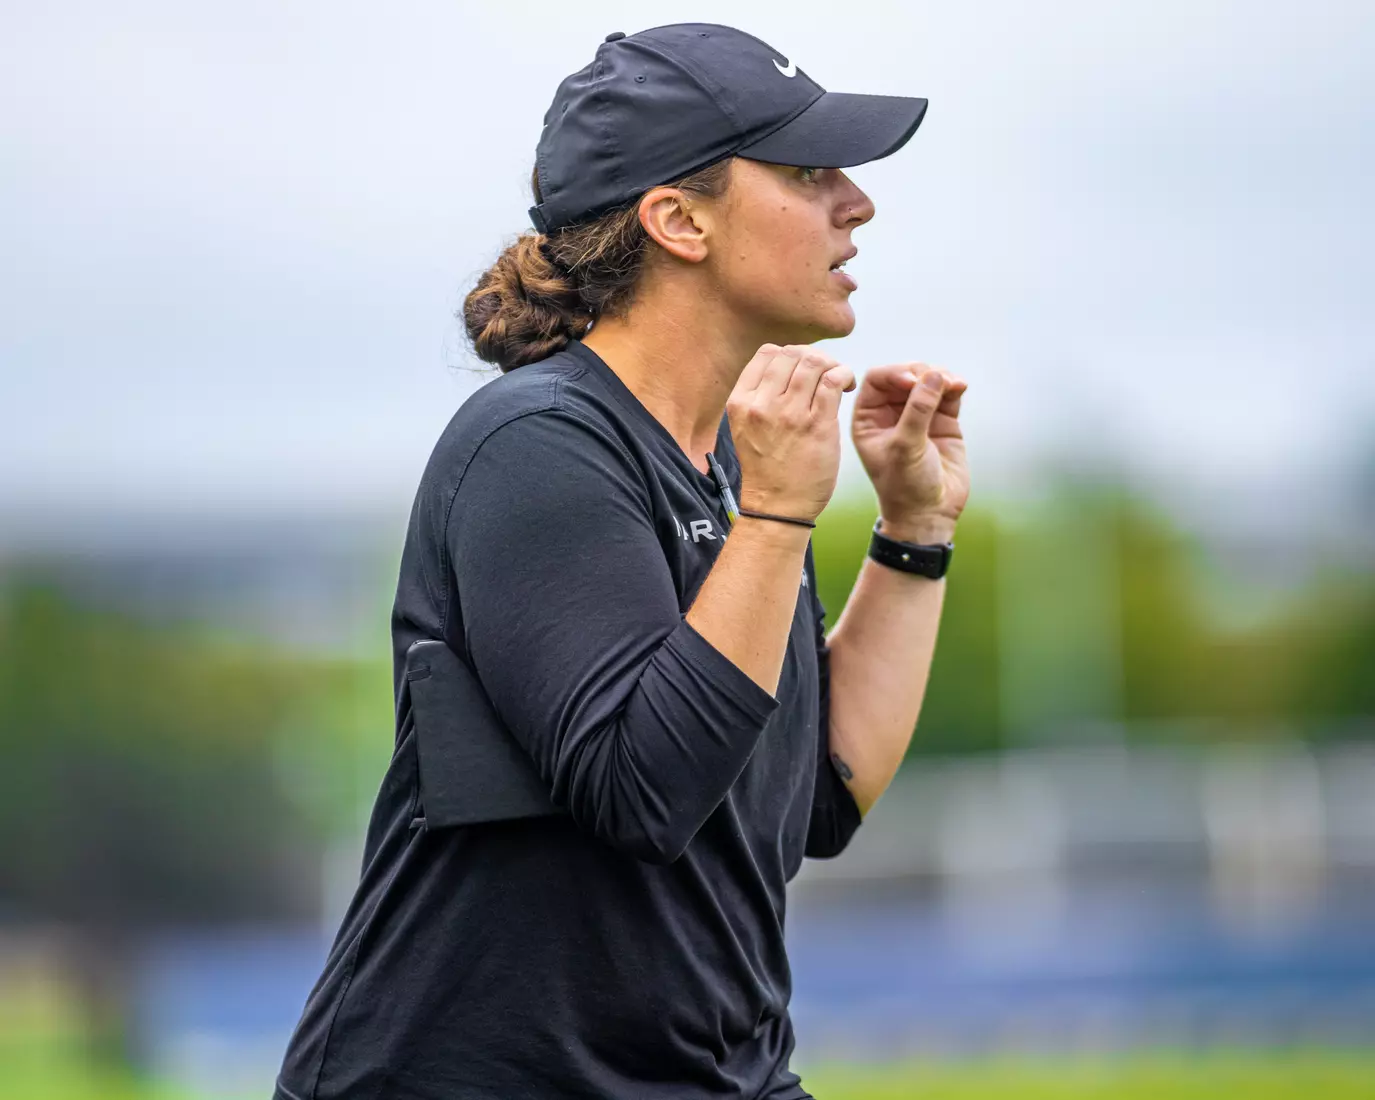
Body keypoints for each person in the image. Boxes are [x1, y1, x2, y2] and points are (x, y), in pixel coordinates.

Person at [273, 21, 970, 1100]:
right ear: (677, 219)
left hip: (721, 1074)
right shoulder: (533, 445)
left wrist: (913, 533)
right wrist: (780, 514)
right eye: (802, 171)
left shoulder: (735, 461)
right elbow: (645, 789)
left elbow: (816, 797)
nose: (855, 201)